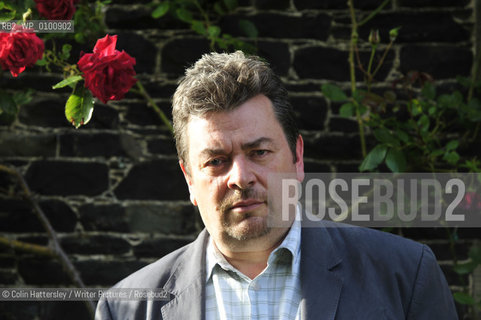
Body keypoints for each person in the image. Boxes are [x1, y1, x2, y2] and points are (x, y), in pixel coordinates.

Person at [95, 51, 458, 319]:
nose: (240, 177)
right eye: (216, 161)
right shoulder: (127, 309)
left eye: (259, 151)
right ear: (189, 178)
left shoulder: (405, 277)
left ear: (297, 158)